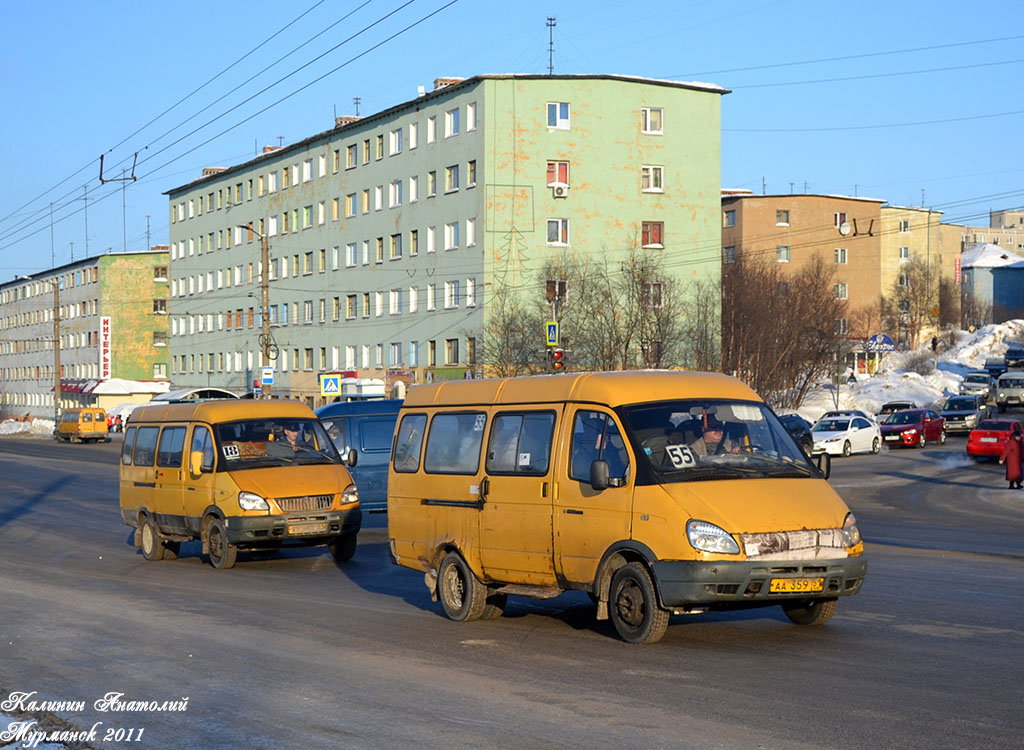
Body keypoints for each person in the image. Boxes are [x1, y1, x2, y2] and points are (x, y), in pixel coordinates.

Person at [998, 422, 1023, 489]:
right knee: (1015, 474)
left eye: (1020, 436)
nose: (1019, 437)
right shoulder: (1011, 443)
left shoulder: (1019, 442)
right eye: (1018, 436)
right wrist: (1002, 459)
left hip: (1017, 461)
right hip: (1012, 462)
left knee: (1015, 474)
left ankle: (1012, 485)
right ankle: (1017, 485)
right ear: (1015, 437)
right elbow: (1006, 451)